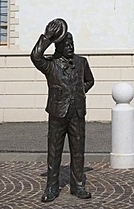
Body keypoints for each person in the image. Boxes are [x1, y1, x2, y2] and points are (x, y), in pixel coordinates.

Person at [30, 18, 94, 202]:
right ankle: (51, 187)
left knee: (78, 150)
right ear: (57, 46)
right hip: (58, 112)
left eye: (72, 44)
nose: (70, 47)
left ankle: (78, 185)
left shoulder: (82, 62)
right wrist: (47, 36)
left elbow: (89, 81)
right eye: (66, 44)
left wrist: (78, 93)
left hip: (77, 113)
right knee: (54, 151)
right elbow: (35, 56)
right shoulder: (50, 64)